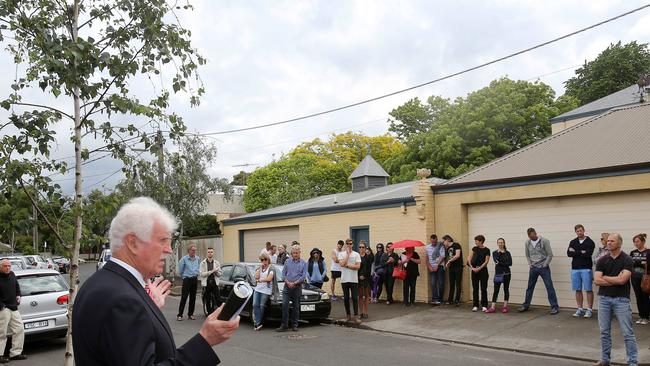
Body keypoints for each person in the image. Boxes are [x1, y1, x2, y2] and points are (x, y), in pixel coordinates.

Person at [73, 197, 239, 365]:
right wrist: (205, 340)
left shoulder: (99, 283)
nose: (168, 250)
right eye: (162, 241)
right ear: (132, 243)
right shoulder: (123, 301)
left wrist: (147, 308)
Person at [594, 233, 638, 366]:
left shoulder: (627, 260)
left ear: (619, 243)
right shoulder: (602, 260)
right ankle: (605, 360)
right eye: (608, 241)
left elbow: (623, 280)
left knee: (627, 333)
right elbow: (597, 280)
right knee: (604, 332)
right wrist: (614, 279)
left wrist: (606, 277)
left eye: (612, 241)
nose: (609, 243)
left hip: (621, 300)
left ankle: (632, 362)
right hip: (604, 299)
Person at [519, 228, 559, 315]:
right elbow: (527, 255)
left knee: (549, 287)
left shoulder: (544, 241)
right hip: (533, 268)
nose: (532, 238)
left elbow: (550, 254)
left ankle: (554, 306)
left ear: (536, 233)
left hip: (543, 268)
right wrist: (530, 264)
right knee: (530, 287)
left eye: (533, 236)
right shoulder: (527, 242)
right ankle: (525, 305)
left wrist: (545, 264)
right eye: (530, 236)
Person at [276, 245, 307, 332]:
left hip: (297, 287)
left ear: (300, 253)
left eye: (297, 253)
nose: (295, 254)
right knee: (285, 305)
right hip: (287, 286)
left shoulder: (304, 263)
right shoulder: (287, 262)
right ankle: (284, 325)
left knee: (296, 307)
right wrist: (288, 282)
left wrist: (295, 283)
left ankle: (294, 325)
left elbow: (303, 276)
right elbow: (283, 274)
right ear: (291, 253)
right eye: (294, 253)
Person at [0, 259, 26, 362]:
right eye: (5, 266)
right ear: (0, 266)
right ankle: (0, 355)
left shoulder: (12, 274)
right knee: (1, 333)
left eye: (9, 266)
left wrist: (18, 295)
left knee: (19, 329)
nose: (8, 268)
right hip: (3, 309)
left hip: (14, 308)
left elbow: (16, 286)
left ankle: (15, 353)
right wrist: (1, 306)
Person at [568, 224, 596, 318]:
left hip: (586, 268)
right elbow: (569, 253)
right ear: (575, 232)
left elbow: (588, 254)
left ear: (584, 230)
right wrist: (581, 251)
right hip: (575, 268)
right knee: (577, 289)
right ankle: (580, 308)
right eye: (577, 231)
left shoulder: (590, 242)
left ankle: (589, 309)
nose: (579, 232)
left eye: (581, 230)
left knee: (588, 289)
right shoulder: (573, 241)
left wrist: (576, 252)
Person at [338, 239, 362, 323]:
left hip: (353, 279)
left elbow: (358, 266)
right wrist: (347, 255)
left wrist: (347, 265)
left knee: (355, 298)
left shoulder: (356, 254)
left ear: (352, 244)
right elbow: (341, 264)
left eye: (350, 243)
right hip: (344, 280)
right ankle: (348, 315)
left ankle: (356, 316)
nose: (349, 245)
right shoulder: (341, 254)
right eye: (347, 243)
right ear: (345, 245)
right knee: (346, 298)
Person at [487, 238, 512, 313]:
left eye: (502, 242)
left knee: (506, 289)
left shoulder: (508, 253)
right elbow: (496, 260)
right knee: (496, 290)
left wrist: (501, 263)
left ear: (504, 243)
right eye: (499, 242)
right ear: (497, 244)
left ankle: (505, 306)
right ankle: (492, 307)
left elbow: (510, 263)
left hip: (507, 274)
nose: (500, 244)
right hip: (498, 274)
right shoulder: (495, 253)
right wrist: (502, 258)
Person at [630, 233, 649, 325]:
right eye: (634, 242)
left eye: (637, 241)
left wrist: (637, 262)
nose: (636, 243)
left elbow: (647, 264)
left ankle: (646, 317)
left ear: (643, 241)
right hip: (635, 277)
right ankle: (641, 316)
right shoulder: (633, 252)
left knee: (645, 296)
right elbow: (631, 264)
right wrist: (641, 262)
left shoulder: (648, 252)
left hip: (645, 278)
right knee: (638, 296)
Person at [177, 244, 200, 321]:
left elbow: (199, 267)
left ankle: (190, 314)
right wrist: (184, 277)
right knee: (184, 297)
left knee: (193, 298)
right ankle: (180, 315)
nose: (194, 252)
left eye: (195, 250)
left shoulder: (198, 259)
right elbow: (180, 270)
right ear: (189, 251)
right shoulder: (184, 259)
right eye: (192, 250)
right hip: (187, 280)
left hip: (194, 279)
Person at [468, 235, 490, 312]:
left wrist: (479, 268)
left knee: (483, 288)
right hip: (474, 271)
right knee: (475, 289)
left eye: (476, 241)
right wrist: (472, 268)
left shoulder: (487, 250)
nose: (475, 242)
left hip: (483, 271)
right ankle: (475, 305)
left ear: (481, 241)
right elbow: (469, 258)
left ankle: (484, 305)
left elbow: (486, 261)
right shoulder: (474, 249)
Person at [253, 253, 275, 331]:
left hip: (266, 290)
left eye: (265, 259)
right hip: (258, 289)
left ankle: (258, 323)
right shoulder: (259, 268)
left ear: (268, 260)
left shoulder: (271, 268)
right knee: (255, 305)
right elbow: (256, 276)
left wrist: (260, 280)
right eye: (262, 260)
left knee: (262, 306)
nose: (264, 261)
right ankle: (257, 322)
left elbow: (269, 279)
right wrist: (260, 268)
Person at [199, 247, 222, 315]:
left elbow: (220, 274)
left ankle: (220, 313)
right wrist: (211, 271)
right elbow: (202, 274)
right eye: (209, 252)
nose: (210, 253)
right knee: (208, 299)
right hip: (207, 283)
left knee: (218, 299)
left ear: (213, 253)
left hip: (214, 283)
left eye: (211, 252)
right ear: (207, 253)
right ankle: (209, 314)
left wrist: (216, 273)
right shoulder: (202, 263)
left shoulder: (217, 263)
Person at [425, 234, 446, 306]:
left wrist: (437, 265)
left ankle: (440, 298)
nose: (433, 243)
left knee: (441, 283)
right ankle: (435, 299)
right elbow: (427, 258)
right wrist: (429, 267)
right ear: (430, 240)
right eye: (432, 242)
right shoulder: (427, 247)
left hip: (440, 266)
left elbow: (442, 256)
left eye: (434, 242)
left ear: (437, 240)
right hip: (432, 267)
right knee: (433, 283)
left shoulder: (441, 246)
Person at [443, 235, 463, 306]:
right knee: (451, 284)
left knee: (458, 283)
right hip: (451, 267)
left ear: (448, 240)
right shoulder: (448, 248)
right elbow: (450, 257)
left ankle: (457, 300)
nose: (443, 242)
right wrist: (448, 263)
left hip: (458, 267)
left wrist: (449, 261)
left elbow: (457, 255)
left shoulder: (456, 245)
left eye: (444, 241)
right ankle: (450, 299)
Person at [357, 242, 373, 318]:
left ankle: (366, 312)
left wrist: (364, 276)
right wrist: (359, 276)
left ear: (365, 248)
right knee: (360, 296)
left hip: (366, 278)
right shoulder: (356, 257)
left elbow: (369, 269)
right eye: (360, 247)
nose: (361, 249)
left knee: (366, 296)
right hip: (358, 279)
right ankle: (361, 312)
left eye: (363, 247)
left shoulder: (368, 257)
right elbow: (355, 268)